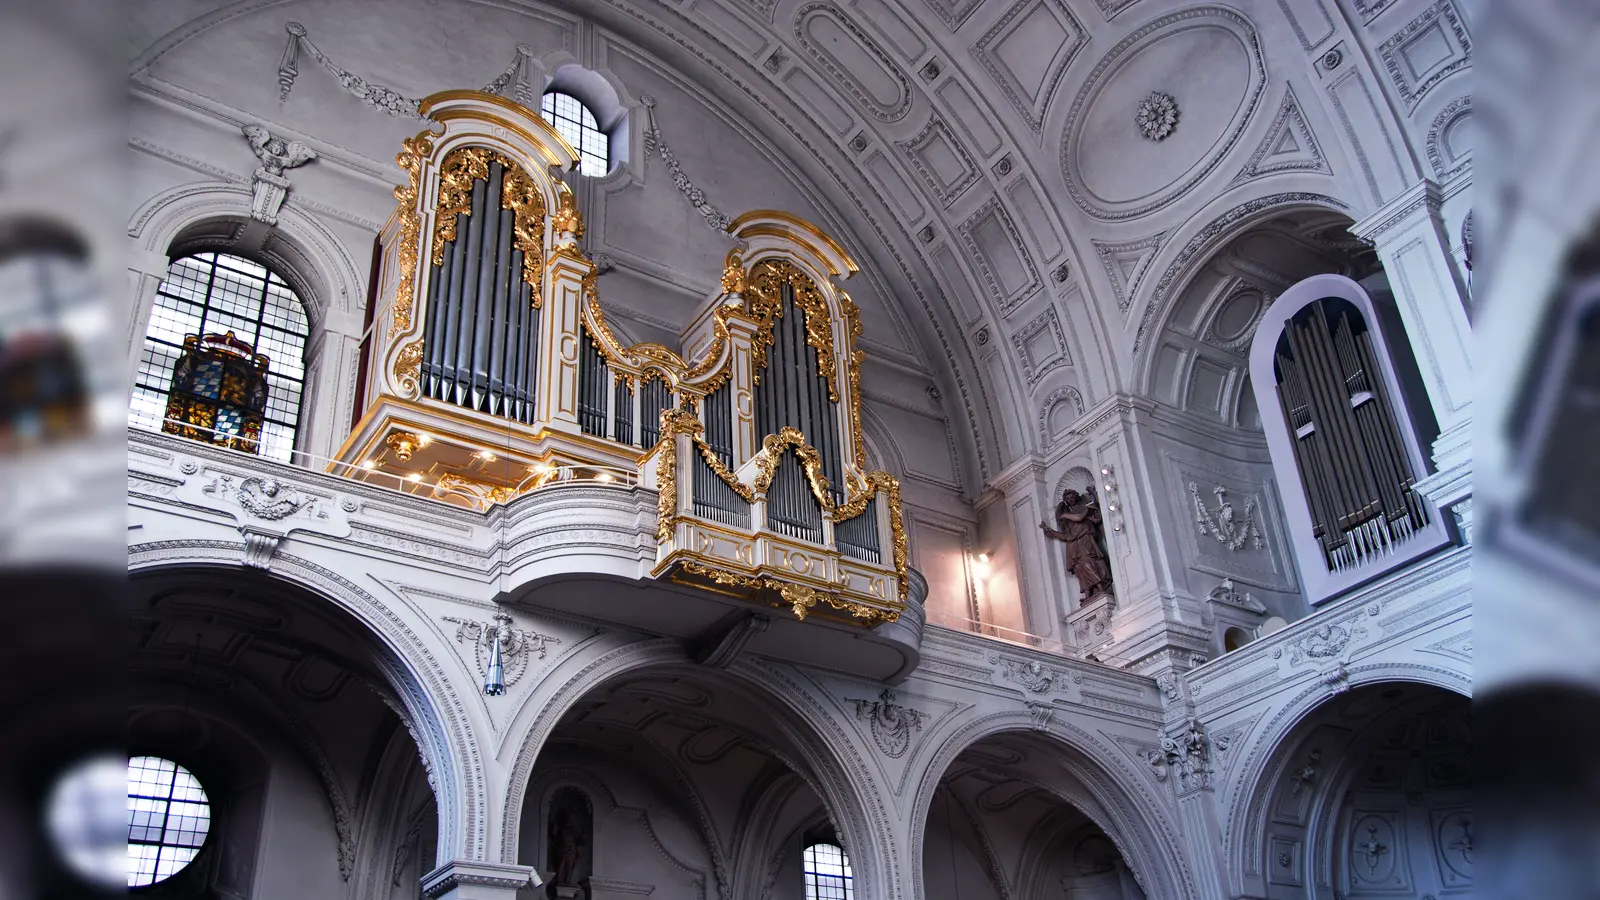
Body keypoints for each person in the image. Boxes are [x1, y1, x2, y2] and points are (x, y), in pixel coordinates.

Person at [1040, 487, 1114, 601]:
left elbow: (1081, 517)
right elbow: (1066, 536)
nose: (1071, 500)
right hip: (1074, 545)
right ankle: (1088, 594)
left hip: (1085, 541)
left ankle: (1101, 588)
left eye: (1072, 497)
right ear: (1065, 501)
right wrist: (1051, 532)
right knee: (1079, 569)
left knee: (1088, 563)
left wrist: (1065, 515)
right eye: (1068, 498)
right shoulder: (1067, 521)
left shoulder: (1084, 508)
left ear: (1076, 497)